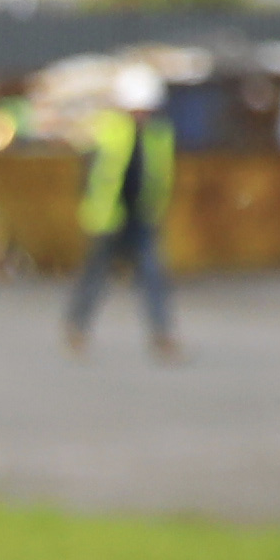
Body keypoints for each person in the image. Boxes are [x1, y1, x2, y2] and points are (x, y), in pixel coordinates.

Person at [62, 64, 181, 356]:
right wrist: (94, 213)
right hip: (108, 219)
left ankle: (162, 336)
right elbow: (90, 174)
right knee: (95, 276)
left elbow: (161, 176)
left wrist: (156, 211)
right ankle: (77, 329)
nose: (142, 114)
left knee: (154, 276)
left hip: (141, 216)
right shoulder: (108, 129)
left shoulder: (159, 134)